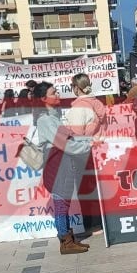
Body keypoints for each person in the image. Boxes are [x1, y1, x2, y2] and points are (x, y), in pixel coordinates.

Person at [33, 81, 92, 255]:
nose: (58, 94)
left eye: (57, 91)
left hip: (62, 163)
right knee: (61, 203)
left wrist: (86, 141)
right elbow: (66, 145)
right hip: (56, 164)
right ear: (43, 98)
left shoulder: (53, 117)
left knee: (63, 202)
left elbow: (70, 140)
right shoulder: (45, 119)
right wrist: (89, 146)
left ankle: (68, 237)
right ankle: (65, 241)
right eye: (53, 93)